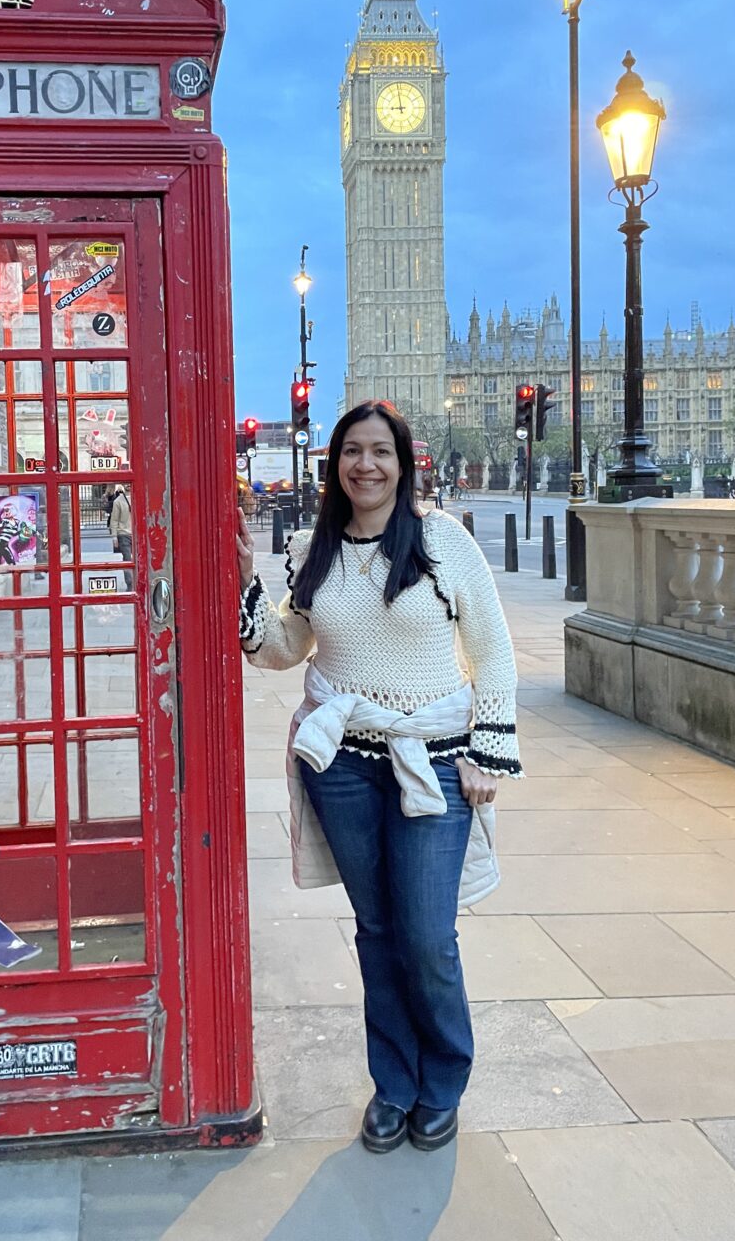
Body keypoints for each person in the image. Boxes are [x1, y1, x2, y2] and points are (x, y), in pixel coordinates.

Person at [237, 400, 521, 1156]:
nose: (366, 465)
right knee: (375, 932)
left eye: (380, 452)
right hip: (344, 767)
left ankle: (443, 1080)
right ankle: (393, 1085)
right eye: (352, 452)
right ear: (335, 465)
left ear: (403, 462)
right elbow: (288, 645)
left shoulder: (442, 542)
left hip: (430, 758)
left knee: (427, 935)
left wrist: (488, 751)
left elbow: (492, 650)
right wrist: (246, 591)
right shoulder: (319, 545)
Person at [108, 482, 133, 589]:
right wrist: (114, 537)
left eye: (129, 483)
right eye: (126, 483)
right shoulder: (118, 501)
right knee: (127, 560)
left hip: (138, 534)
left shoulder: (141, 496)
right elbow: (114, 519)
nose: (128, 485)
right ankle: (130, 584)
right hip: (124, 534)